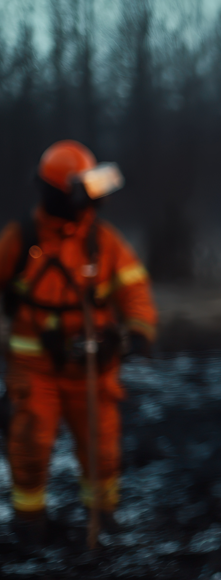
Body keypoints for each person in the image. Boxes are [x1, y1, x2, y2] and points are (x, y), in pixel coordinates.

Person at [0, 141, 155, 544]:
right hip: (35, 367)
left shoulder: (102, 241)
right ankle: (29, 519)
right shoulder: (20, 240)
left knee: (102, 444)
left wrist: (139, 330)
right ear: (57, 193)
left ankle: (102, 515)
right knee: (30, 439)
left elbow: (134, 286)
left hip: (92, 366)